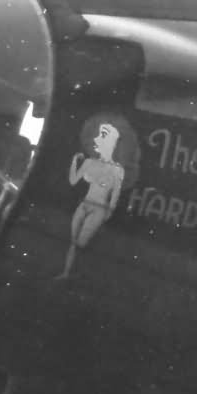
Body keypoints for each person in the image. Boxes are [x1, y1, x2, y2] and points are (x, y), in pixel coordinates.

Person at [62, 114, 133, 277]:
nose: (96, 139)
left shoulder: (117, 170)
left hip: (99, 209)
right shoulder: (89, 162)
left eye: (102, 136)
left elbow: (115, 194)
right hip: (84, 204)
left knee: (81, 243)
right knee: (72, 242)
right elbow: (73, 181)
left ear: (111, 142)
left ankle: (79, 274)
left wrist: (109, 212)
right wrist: (74, 162)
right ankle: (66, 273)